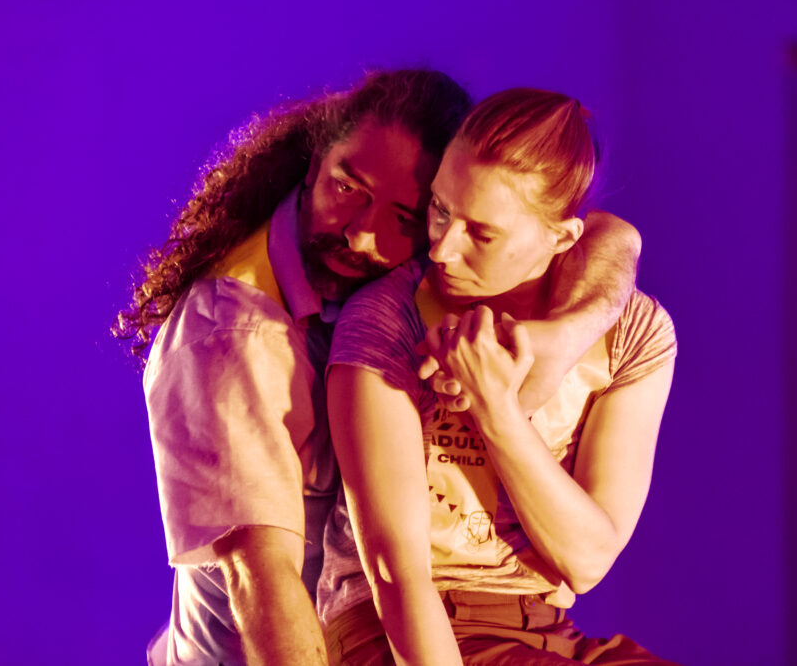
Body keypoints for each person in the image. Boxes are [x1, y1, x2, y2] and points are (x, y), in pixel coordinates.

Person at [114, 70, 643, 666]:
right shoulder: (233, 335)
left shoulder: (405, 269)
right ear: (313, 163)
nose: (362, 235)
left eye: (404, 216)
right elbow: (262, 578)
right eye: (348, 188)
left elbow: (610, 237)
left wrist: (562, 338)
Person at [321, 88, 678, 665]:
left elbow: (586, 561)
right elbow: (395, 574)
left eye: (482, 234)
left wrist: (499, 411)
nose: (442, 249)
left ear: (562, 238)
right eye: (439, 210)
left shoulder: (633, 335)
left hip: (546, 626)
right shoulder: (389, 317)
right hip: (395, 631)